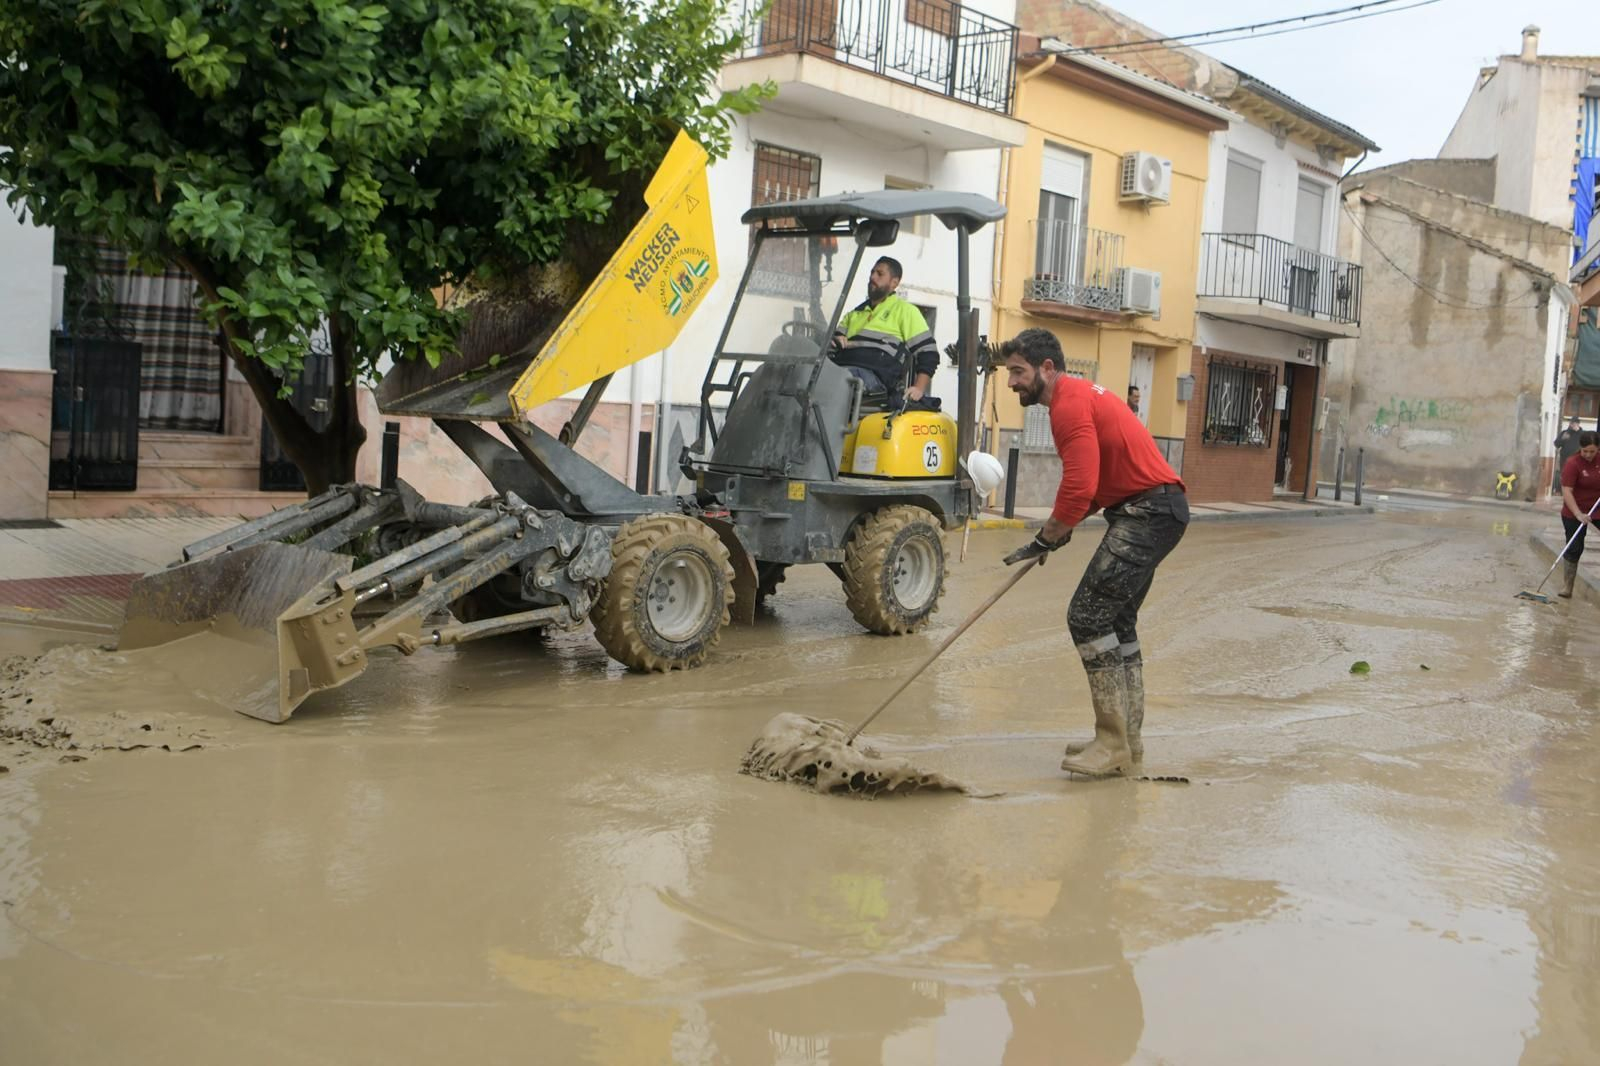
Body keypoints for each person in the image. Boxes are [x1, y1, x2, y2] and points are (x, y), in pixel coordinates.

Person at [999, 328, 1189, 777]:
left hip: (1148, 512)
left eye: (1018, 372)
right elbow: (1092, 491)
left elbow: (1080, 484)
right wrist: (1055, 534)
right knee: (1117, 620)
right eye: (1009, 373)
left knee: (1087, 616)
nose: (1011, 383)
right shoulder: (1080, 397)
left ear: (1047, 368)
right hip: (1155, 509)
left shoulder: (1068, 404)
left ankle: (1111, 741)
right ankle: (1127, 740)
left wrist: (1049, 534)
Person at [830, 256, 939, 408]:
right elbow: (833, 342)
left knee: (829, 379)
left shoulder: (906, 311)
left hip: (875, 379)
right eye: (872, 272)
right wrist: (836, 339)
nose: (872, 277)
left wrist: (919, 388)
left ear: (894, 283)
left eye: (879, 274)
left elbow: (928, 353)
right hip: (843, 370)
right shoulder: (854, 313)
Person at [1557, 431, 1600, 599]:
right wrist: (1578, 514)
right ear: (1580, 449)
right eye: (1585, 451)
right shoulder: (1572, 463)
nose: (1588, 455)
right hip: (1573, 509)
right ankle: (1568, 586)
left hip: (1596, 507)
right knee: (1575, 547)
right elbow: (1567, 491)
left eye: (1592, 451)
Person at [1554, 416, 1584, 493]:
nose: (1572, 425)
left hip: (1578, 459)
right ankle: (1563, 491)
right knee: (1564, 475)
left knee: (1577, 475)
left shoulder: (1582, 434)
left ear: (1578, 424)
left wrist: (1578, 431)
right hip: (1565, 459)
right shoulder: (1565, 433)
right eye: (1571, 423)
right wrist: (1562, 439)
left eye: (1574, 423)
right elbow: (1557, 444)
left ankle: (1575, 490)